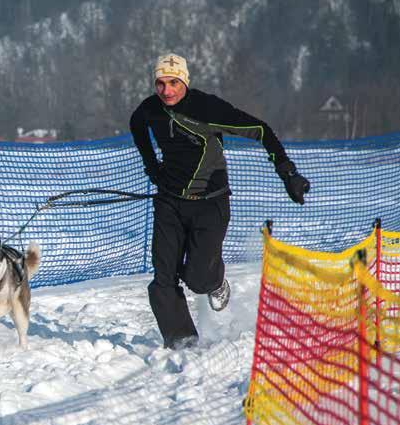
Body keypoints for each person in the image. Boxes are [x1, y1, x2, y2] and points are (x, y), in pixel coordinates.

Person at [129, 52, 310, 349]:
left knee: (198, 278)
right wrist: (152, 166)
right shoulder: (150, 109)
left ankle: (215, 282)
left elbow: (262, 130)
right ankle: (182, 341)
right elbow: (137, 124)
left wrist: (287, 172)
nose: (167, 90)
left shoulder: (207, 108)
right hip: (169, 202)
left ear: (184, 81)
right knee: (163, 277)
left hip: (210, 203)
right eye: (160, 83)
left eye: (173, 82)